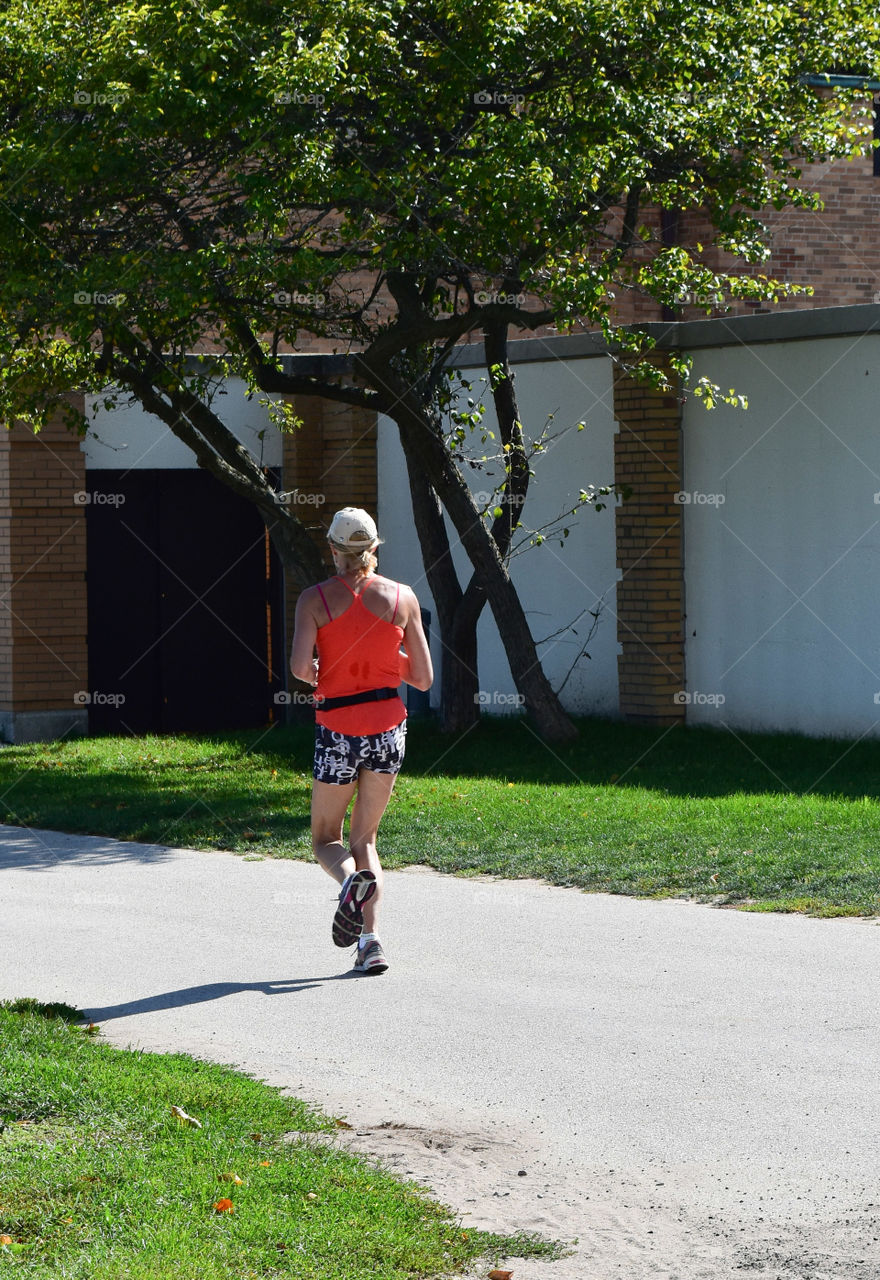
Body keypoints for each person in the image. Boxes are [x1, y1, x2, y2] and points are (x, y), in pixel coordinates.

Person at [289, 506, 433, 975]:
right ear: (373, 549)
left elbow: (298, 668)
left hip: (337, 728)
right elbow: (424, 678)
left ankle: (350, 882)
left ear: (334, 550)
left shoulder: (314, 599)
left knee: (325, 839)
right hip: (388, 727)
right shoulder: (403, 598)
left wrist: (319, 670)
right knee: (365, 837)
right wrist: (387, 653)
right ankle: (370, 944)